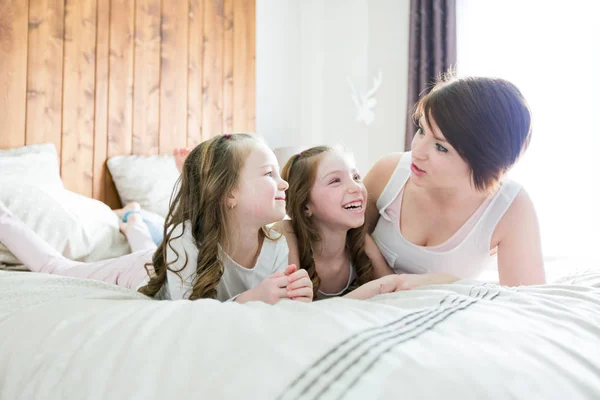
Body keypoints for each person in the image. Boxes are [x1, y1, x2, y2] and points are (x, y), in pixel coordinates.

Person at [0, 134, 313, 303]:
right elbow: (187, 313)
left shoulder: (277, 247)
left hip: (158, 257)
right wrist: (251, 299)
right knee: (56, 267)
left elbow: (275, 309)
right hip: (140, 272)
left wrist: (295, 296)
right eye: (269, 174)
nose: (283, 183)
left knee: (149, 245)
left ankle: (133, 218)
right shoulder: (185, 240)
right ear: (229, 194)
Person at [364, 74, 546, 287]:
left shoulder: (511, 207)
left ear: (484, 164)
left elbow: (527, 299)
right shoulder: (389, 173)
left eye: (441, 147)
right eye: (422, 130)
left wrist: (446, 283)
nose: (417, 150)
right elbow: (340, 236)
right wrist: (385, 272)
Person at [275, 145, 437, 300]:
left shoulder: (359, 240)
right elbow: (292, 306)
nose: (356, 187)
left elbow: (394, 287)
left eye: (356, 177)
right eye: (335, 181)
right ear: (305, 205)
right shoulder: (287, 233)